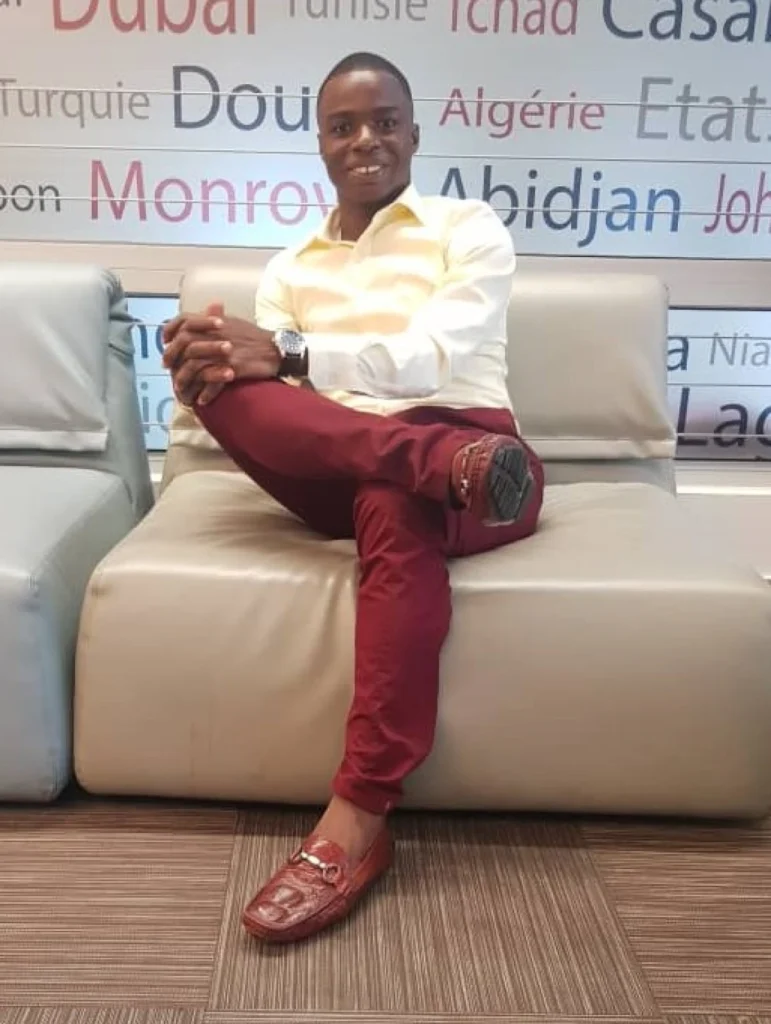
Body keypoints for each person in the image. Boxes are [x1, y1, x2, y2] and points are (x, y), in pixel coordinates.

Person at [162, 51, 544, 944]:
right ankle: (419, 459)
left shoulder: (469, 225)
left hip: (482, 458)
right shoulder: (289, 265)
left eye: (384, 121)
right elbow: (282, 409)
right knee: (218, 378)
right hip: (398, 462)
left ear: (414, 132)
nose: (365, 139)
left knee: (393, 500)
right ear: (321, 145)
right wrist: (208, 353)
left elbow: (432, 355)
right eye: (344, 126)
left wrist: (294, 356)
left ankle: (357, 820)